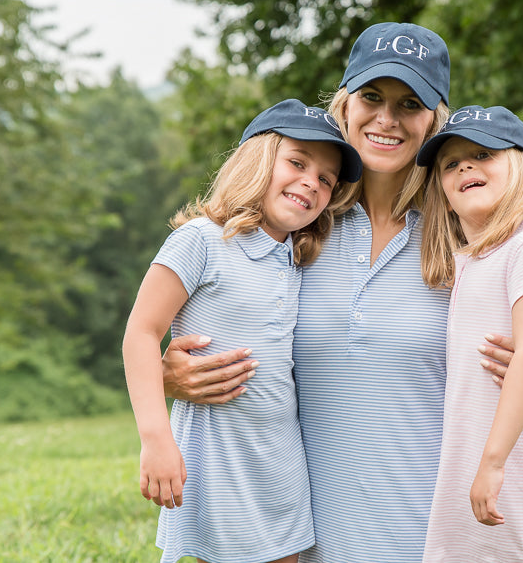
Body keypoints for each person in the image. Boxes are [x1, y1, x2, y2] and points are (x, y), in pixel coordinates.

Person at [160, 23, 523, 562]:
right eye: (372, 98)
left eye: (409, 103)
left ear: (434, 122)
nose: (387, 118)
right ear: (344, 106)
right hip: (309, 532)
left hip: (432, 529)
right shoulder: (295, 224)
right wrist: (167, 373)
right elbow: (202, 320)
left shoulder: (469, 235)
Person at [122, 98, 363, 563]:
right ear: (258, 159)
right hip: (219, 458)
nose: (310, 183)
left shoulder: (299, 258)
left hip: (280, 461)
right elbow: (141, 332)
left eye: (326, 180)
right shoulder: (203, 240)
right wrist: (155, 440)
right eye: (297, 162)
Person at [416, 105, 523, 562]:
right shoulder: (472, 259)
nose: (465, 167)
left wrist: (493, 464)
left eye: (482, 154)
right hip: (474, 455)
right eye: (450, 164)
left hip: (519, 459)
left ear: (521, 169)